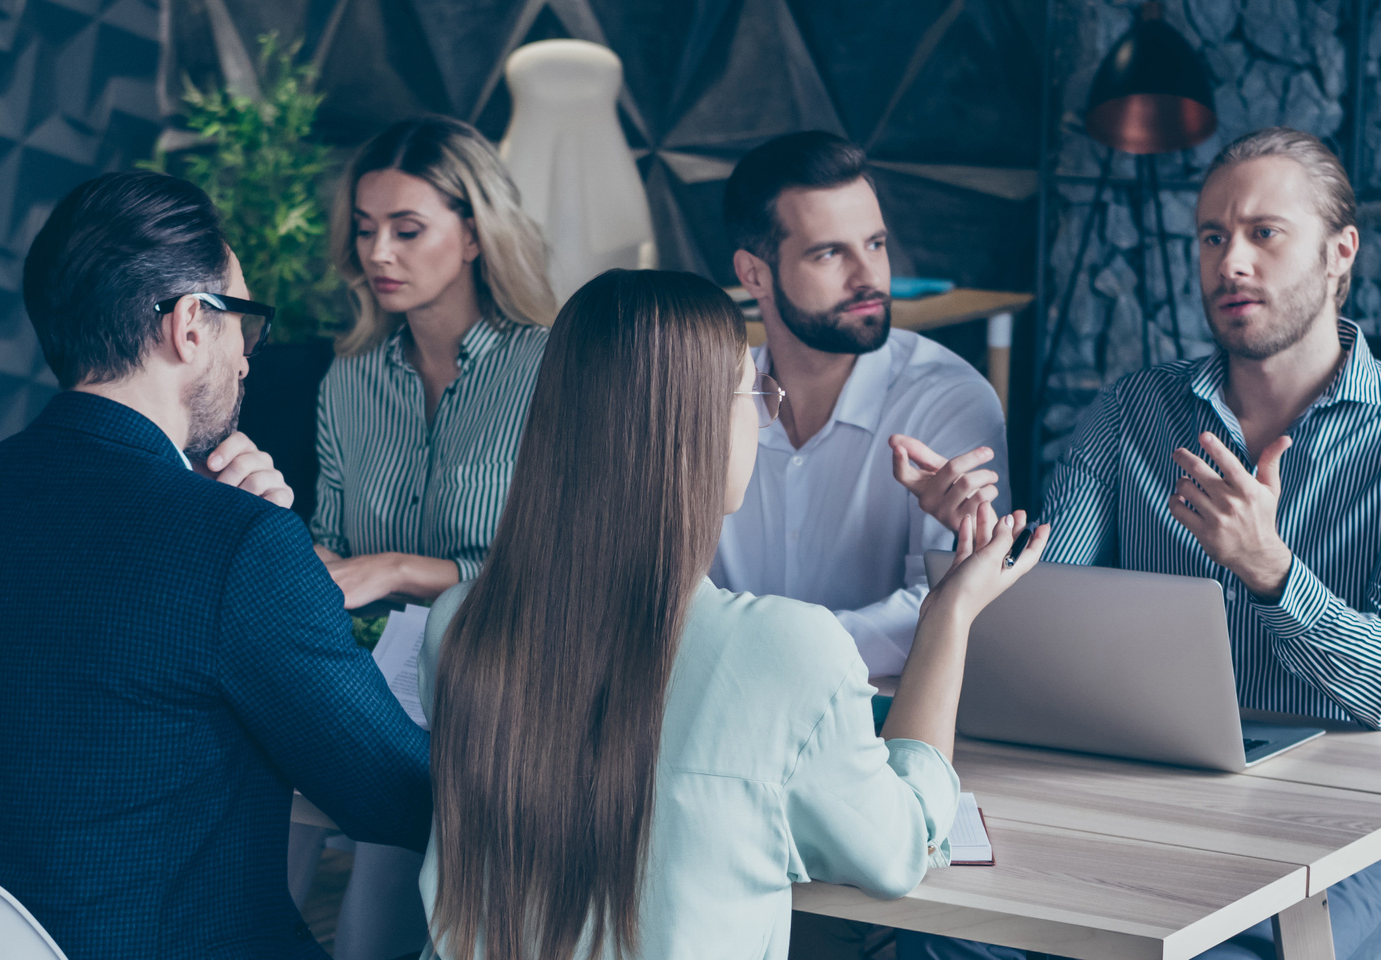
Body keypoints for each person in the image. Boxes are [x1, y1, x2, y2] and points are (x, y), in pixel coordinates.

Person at [889, 128, 1381, 960]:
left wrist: (1269, 568)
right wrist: (974, 542)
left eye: (1263, 234)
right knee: (951, 929)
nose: (1230, 262)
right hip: (1139, 811)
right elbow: (1040, 626)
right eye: (1212, 236)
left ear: (1339, 253)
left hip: (1352, 839)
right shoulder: (1133, 411)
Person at [405, 269, 1055, 960]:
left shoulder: (459, 625)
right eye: (752, 391)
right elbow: (898, 849)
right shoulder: (788, 649)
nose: (764, 413)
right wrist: (948, 611)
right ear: (691, 426)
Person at [0, 171, 429, 960]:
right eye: (242, 326)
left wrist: (221, 519)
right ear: (191, 325)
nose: (248, 360)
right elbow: (394, 798)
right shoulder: (237, 544)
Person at [711, 131, 1008, 686]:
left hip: (879, 724)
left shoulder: (947, 396)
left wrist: (765, 654)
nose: (868, 277)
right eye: (830, 253)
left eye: (875, 244)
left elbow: (950, 601)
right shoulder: (710, 399)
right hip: (715, 710)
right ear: (754, 274)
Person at [312, 115, 560, 610]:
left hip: (507, 666)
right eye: (365, 230)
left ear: (474, 236)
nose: (378, 253)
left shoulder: (552, 370)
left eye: (407, 231)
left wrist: (396, 570)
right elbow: (330, 543)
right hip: (369, 666)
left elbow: (568, 565)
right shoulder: (350, 376)